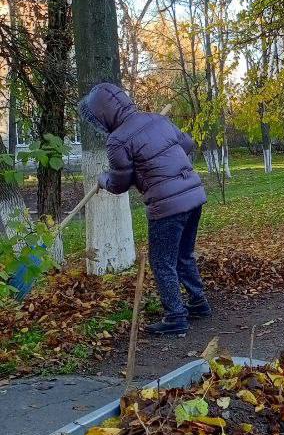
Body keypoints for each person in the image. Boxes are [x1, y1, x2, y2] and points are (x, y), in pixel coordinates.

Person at [79, 83, 211, 337]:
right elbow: (188, 144)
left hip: (167, 205)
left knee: (162, 262)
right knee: (184, 254)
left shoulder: (117, 140)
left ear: (102, 116)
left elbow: (119, 184)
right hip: (193, 196)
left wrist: (103, 180)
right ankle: (198, 303)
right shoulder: (157, 120)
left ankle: (176, 318)